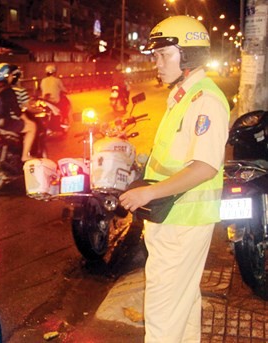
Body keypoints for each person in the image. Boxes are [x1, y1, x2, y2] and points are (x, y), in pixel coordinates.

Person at [118, 16, 229, 343]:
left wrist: (147, 194)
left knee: (163, 313)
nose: (157, 62)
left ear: (189, 56)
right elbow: (174, 156)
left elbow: (205, 167)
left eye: (165, 54)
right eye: (156, 55)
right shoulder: (183, 95)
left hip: (182, 220)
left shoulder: (204, 101)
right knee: (183, 303)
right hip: (173, 217)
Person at [0, 63, 36, 162]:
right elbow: (17, 111)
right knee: (32, 127)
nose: (12, 77)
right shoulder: (8, 90)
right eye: (10, 75)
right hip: (5, 123)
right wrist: (27, 121)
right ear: (7, 76)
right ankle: (25, 156)